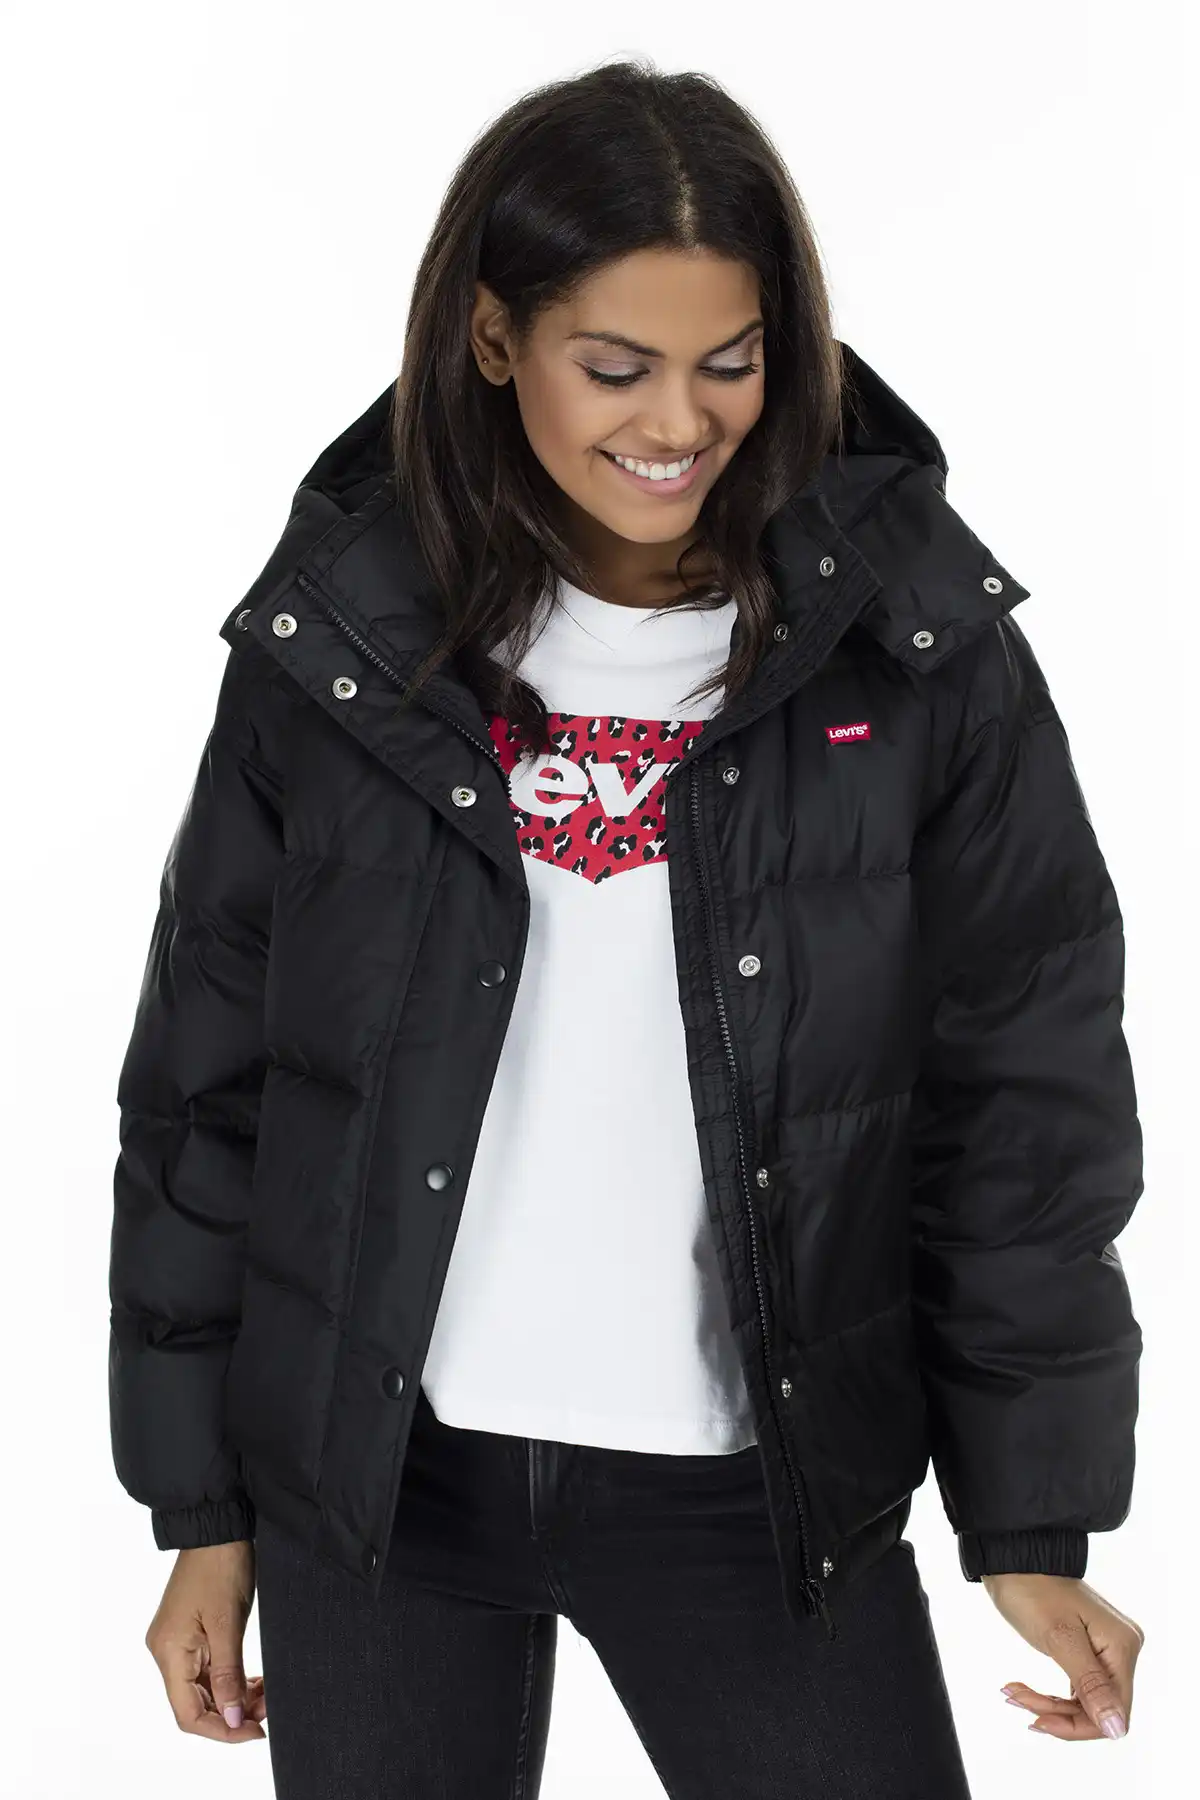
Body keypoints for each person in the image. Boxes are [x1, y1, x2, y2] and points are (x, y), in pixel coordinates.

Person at [109, 58, 1146, 1799]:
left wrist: (1029, 1514)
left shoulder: (918, 653)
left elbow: (1027, 1102)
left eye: (732, 361)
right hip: (378, 1489)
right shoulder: (342, 642)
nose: (681, 419)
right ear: (492, 338)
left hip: (759, 1490)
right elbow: (205, 1088)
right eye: (616, 366)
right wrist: (200, 1507)